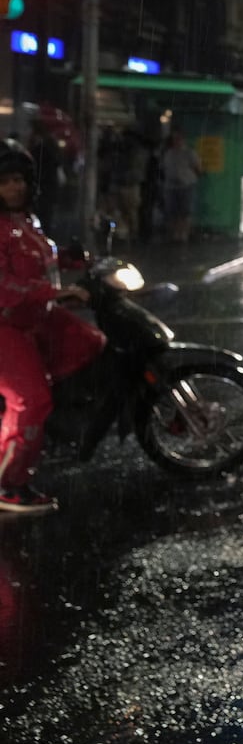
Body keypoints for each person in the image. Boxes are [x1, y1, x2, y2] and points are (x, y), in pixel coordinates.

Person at [0, 148, 106, 513]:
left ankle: (52, 436)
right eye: (6, 181)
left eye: (18, 180)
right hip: (5, 324)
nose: (14, 187)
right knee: (31, 399)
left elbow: (37, 259)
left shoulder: (26, 220)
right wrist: (55, 291)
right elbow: (4, 284)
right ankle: (8, 483)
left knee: (89, 343)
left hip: (31, 318)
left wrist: (72, 259)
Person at [160, 129, 203, 244]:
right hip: (171, 186)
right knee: (172, 211)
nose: (176, 141)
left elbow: (198, 168)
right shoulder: (168, 153)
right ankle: (175, 234)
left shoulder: (189, 153)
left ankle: (183, 234)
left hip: (186, 185)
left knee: (185, 211)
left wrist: (189, 178)